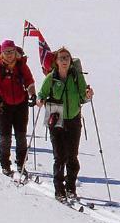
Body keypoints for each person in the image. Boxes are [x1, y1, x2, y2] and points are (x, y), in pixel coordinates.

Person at [37, 47, 93, 199]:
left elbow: (83, 95)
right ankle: (59, 189)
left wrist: (88, 95)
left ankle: (71, 187)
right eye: (61, 58)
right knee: (59, 156)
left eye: (66, 58)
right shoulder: (51, 77)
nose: (64, 61)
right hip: (55, 115)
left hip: (73, 117)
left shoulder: (76, 76)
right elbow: (41, 94)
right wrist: (40, 100)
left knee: (72, 156)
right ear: (56, 61)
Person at [0, 41, 37, 178]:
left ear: (15, 52)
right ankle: (5, 164)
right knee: (5, 137)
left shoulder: (21, 66)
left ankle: (21, 163)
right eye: (6, 52)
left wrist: (33, 94)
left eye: (11, 51)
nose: (9, 54)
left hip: (21, 104)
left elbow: (29, 81)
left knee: (21, 136)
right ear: (2, 53)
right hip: (4, 106)